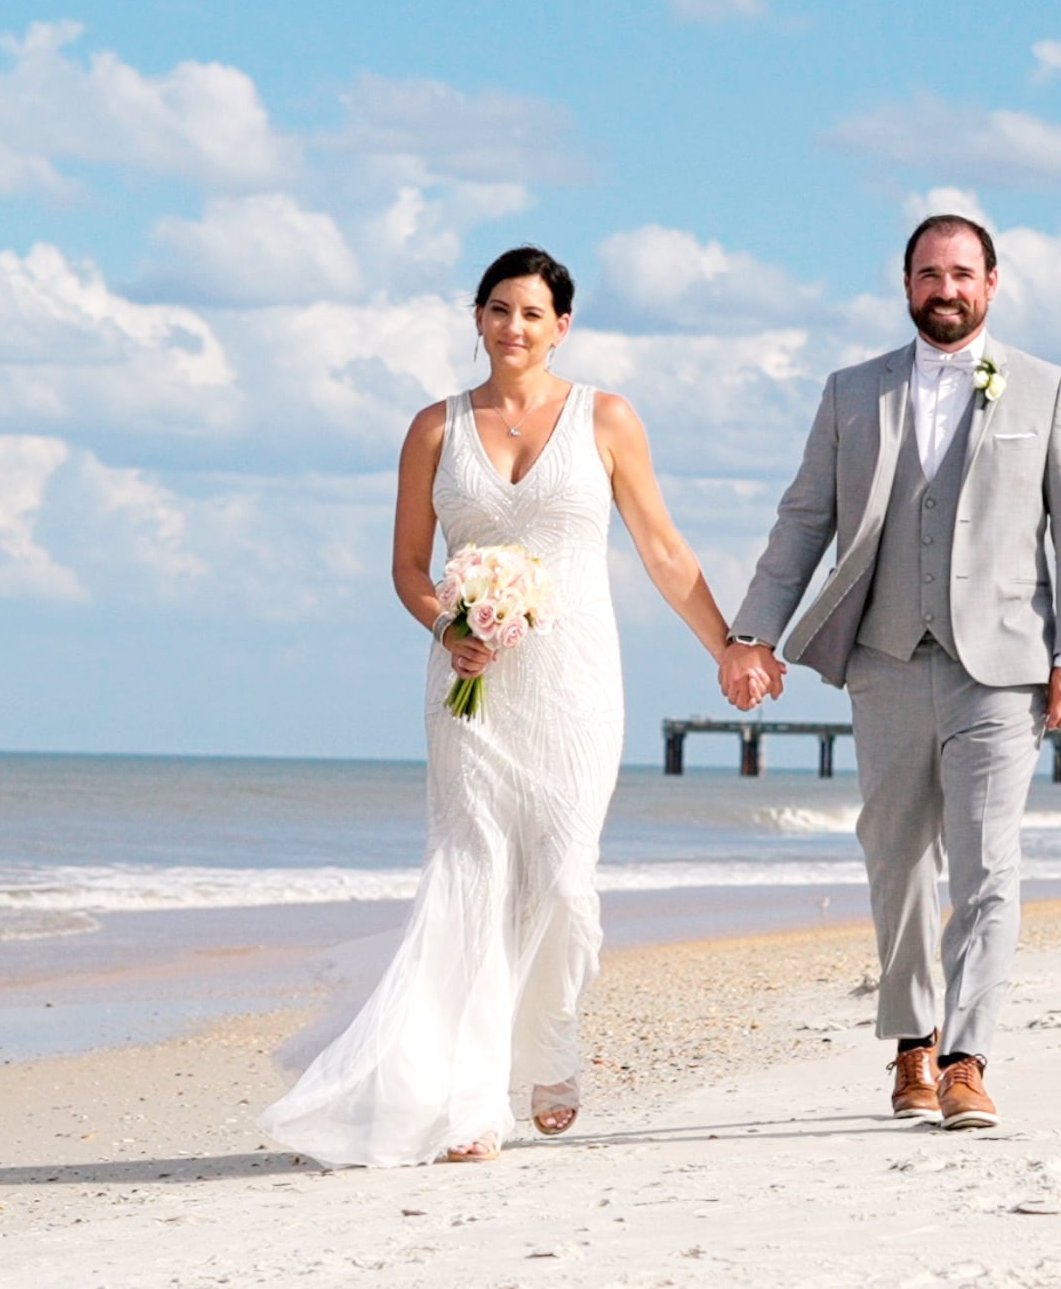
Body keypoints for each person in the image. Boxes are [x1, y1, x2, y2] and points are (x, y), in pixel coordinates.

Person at [262, 246, 748, 1167]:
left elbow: (663, 550)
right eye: (497, 309)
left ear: (562, 325)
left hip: (574, 683)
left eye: (531, 312)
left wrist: (727, 647)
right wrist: (448, 627)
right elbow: (409, 568)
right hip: (470, 685)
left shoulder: (606, 418)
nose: (512, 327)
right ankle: (473, 1102)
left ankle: (553, 1043)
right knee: (475, 878)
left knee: (563, 876)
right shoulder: (434, 429)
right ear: (477, 318)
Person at [722, 214, 1061, 1132]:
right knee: (895, 860)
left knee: (987, 868)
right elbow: (802, 522)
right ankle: (913, 1046)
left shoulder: (1049, 389)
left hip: (1004, 668)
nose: (947, 289)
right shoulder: (853, 393)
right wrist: (752, 633)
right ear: (906, 286)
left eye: (963, 273)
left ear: (993, 282)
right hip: (885, 659)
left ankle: (969, 1058)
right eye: (930, 274)